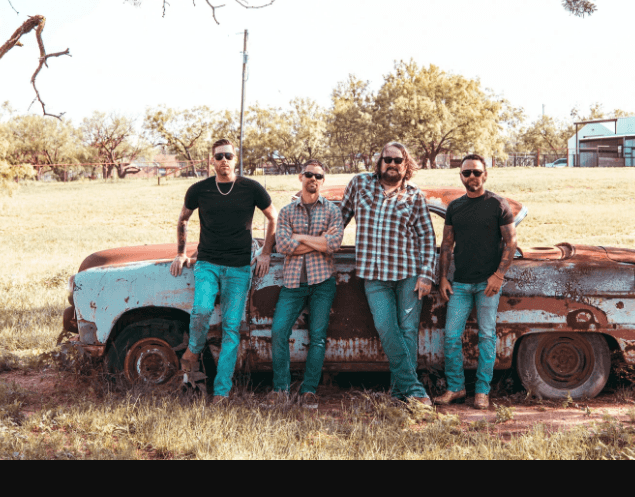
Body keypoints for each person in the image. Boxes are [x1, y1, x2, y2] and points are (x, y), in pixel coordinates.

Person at [170, 139, 277, 403]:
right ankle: (193, 350)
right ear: (212, 161)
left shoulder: (251, 188)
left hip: (239, 268)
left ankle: (221, 391)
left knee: (231, 329)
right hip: (207, 264)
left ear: (235, 159)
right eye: (219, 157)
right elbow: (183, 218)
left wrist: (265, 253)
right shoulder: (199, 189)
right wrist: (182, 253)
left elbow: (272, 217)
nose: (224, 160)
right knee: (202, 309)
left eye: (228, 155)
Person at [341, 142, 436, 406]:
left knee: (407, 332)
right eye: (388, 159)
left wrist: (426, 275)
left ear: (406, 166)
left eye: (398, 160)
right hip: (374, 275)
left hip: (408, 273)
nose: (392, 164)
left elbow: (427, 237)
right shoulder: (359, 184)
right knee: (386, 328)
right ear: (379, 162)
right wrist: (317, 243)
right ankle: (415, 391)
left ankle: (399, 393)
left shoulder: (414, 195)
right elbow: (340, 219)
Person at [434, 153, 518, 410]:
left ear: (485, 175)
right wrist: (444, 278)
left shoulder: (498, 204)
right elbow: (446, 246)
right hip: (459, 284)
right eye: (467, 173)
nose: (472, 177)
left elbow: (511, 242)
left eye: (476, 172)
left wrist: (499, 275)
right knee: (450, 337)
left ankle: (482, 391)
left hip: (488, 284)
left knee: (487, 337)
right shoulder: (455, 207)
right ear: (461, 176)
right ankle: (456, 388)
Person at [267, 160, 344, 409]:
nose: (313, 179)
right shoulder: (287, 212)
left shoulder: (332, 211)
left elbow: (332, 244)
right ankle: (280, 389)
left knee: (318, 337)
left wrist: (298, 237)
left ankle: (309, 390)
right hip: (293, 283)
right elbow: (284, 245)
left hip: (323, 282)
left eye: (318, 176)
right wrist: (316, 241)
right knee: (279, 332)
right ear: (301, 177)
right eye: (309, 174)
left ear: (323, 180)